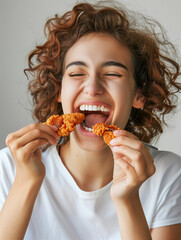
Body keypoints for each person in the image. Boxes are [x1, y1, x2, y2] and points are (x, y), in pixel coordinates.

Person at [0, 2, 181, 239]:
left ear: (139, 94)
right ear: (59, 91)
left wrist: (127, 200)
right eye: (76, 74)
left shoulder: (167, 174)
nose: (93, 87)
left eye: (113, 74)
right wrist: (26, 182)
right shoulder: (9, 167)